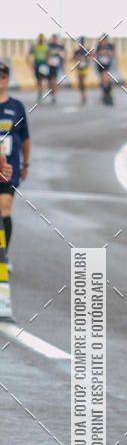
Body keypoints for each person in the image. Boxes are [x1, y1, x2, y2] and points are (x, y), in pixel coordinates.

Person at [0, 61, 30, 271]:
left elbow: (25, 138)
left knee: (4, 209)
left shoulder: (16, 106)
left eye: (2, 75)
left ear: (8, 79)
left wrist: (26, 163)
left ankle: (3, 255)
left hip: (8, 169)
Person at [27, 34, 50, 102]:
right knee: (39, 80)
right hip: (37, 65)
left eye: (41, 39)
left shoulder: (45, 47)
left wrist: (47, 64)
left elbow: (48, 55)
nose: (40, 41)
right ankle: (40, 92)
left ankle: (48, 91)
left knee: (45, 79)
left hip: (44, 65)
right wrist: (31, 64)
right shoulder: (35, 47)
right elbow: (29, 55)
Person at [94, 34, 115, 105]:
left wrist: (108, 53)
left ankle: (109, 94)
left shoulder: (110, 46)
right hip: (100, 64)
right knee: (103, 80)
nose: (103, 41)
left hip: (106, 64)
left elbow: (113, 54)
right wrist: (99, 53)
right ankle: (105, 94)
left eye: (104, 40)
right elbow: (95, 55)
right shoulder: (99, 46)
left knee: (106, 79)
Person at [47, 34, 65, 103]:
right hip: (49, 65)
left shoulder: (60, 46)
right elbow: (47, 54)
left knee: (53, 80)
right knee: (49, 81)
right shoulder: (49, 46)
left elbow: (63, 55)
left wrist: (62, 63)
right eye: (53, 38)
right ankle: (52, 92)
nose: (54, 40)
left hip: (56, 65)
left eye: (55, 38)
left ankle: (54, 94)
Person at [72, 36, 90, 105]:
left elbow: (90, 58)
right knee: (80, 83)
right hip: (79, 68)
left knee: (82, 81)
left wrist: (87, 60)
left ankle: (84, 95)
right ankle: (82, 94)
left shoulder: (87, 50)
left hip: (85, 68)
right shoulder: (77, 51)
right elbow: (74, 58)